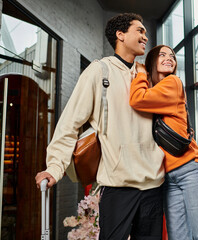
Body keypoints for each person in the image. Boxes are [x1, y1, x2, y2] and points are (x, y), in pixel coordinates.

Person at [35, 13, 165, 240]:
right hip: (118, 186)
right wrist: (54, 167)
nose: (146, 37)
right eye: (140, 31)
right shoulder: (99, 71)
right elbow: (69, 124)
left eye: (146, 32)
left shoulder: (147, 75)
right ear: (120, 35)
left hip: (153, 186)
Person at [129, 45, 198, 240]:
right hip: (169, 177)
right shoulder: (158, 90)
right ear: (152, 61)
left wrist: (140, 74)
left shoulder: (172, 82)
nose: (169, 58)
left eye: (172, 56)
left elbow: (138, 99)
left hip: (190, 169)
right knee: (178, 236)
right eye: (162, 55)